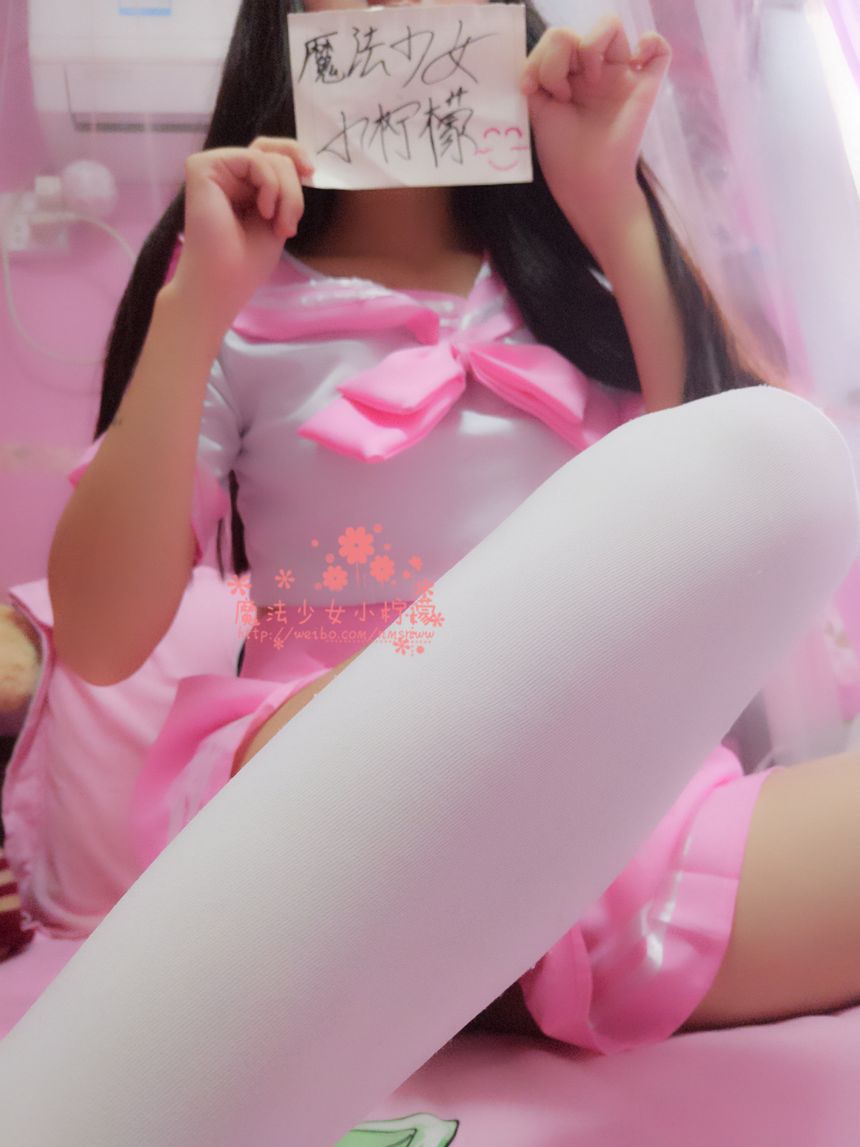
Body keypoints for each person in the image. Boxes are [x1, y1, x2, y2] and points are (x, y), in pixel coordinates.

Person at [1, 2, 859, 1144]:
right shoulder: (232, 293)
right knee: (376, 727)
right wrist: (196, 303)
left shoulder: (581, 281)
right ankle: (480, 930)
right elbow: (104, 637)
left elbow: (750, 504)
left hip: (608, 807)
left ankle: (504, 951)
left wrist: (610, 203)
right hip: (325, 777)